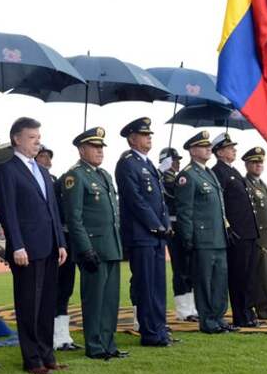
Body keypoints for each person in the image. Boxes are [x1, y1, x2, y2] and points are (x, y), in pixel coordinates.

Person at [0, 118, 68, 374]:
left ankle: (48, 355)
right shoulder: (7, 170)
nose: (38, 141)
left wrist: (61, 242)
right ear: (17, 139)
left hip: (49, 247)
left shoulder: (43, 171)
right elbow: (8, 211)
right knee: (29, 304)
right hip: (26, 249)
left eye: (39, 136)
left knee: (47, 304)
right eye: (32, 137)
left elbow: (53, 211)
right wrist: (17, 245)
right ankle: (32, 359)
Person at [60, 128, 126, 361]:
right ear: (81, 149)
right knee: (95, 300)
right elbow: (74, 218)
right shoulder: (75, 176)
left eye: (101, 147)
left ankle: (109, 343)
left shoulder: (104, 175)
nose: (99, 151)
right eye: (94, 147)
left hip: (111, 246)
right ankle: (95, 345)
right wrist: (84, 249)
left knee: (110, 300)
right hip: (93, 249)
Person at [115, 118, 174, 347]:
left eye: (150, 134)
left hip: (157, 235)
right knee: (146, 285)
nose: (149, 137)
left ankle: (160, 329)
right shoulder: (127, 163)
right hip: (142, 235)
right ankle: (150, 333)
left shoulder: (148, 164)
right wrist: (155, 225)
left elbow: (160, 200)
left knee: (158, 286)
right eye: (144, 134)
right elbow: (135, 200)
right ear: (132, 138)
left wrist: (165, 224)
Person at [174, 131, 235, 335]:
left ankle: (218, 317)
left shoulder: (208, 173)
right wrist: (188, 238)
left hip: (218, 237)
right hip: (202, 239)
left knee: (220, 280)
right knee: (205, 282)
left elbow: (219, 208)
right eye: (203, 146)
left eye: (209, 145)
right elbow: (185, 210)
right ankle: (208, 321)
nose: (209, 148)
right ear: (192, 150)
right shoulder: (187, 175)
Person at [211, 132, 260, 328]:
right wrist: (227, 226)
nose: (234, 150)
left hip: (248, 231)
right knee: (238, 276)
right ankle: (241, 315)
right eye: (230, 148)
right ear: (220, 152)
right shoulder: (219, 172)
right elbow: (220, 205)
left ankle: (248, 312)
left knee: (249, 276)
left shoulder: (234, 171)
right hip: (237, 233)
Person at [41, 147, 78, 351]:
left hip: (65, 238)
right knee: (52, 289)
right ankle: (52, 334)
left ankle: (63, 335)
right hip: (48, 240)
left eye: (48, 156)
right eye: (42, 156)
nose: (46, 159)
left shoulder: (56, 179)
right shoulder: (44, 180)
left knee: (66, 288)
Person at [243, 147, 267, 320]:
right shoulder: (247, 184)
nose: (258, 165)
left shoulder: (262, 184)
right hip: (260, 239)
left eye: (260, 162)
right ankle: (262, 307)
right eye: (254, 162)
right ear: (247, 165)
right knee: (262, 276)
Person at [159, 147, 198, 322]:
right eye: (173, 160)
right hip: (174, 225)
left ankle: (191, 307)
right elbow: (172, 193)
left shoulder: (175, 177)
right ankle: (183, 309)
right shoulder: (165, 179)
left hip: (184, 223)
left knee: (190, 268)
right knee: (181, 267)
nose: (177, 162)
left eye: (177, 160)